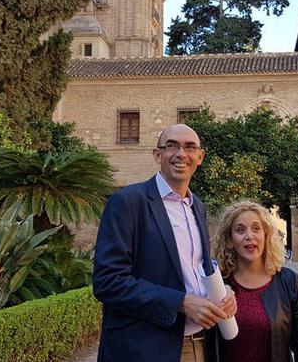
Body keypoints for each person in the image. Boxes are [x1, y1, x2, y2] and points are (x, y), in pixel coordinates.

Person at [93, 124, 236, 362]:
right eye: (172, 146)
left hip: (199, 345)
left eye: (190, 147)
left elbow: (197, 268)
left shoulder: (196, 206)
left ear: (200, 157)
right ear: (157, 154)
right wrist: (181, 302)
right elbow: (108, 282)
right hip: (144, 348)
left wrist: (222, 292)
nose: (181, 153)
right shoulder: (127, 202)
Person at [212, 201, 298, 362]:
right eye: (240, 230)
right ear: (229, 239)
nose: (249, 236)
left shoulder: (288, 281)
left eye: (256, 228)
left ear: (266, 234)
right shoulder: (217, 284)